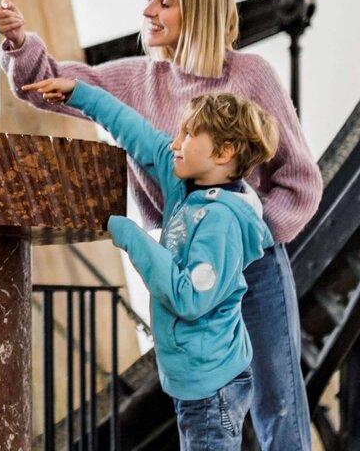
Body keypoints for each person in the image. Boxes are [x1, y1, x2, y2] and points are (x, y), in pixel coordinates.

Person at [0, 0, 322, 449]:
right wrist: (16, 40)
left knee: (277, 402)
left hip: (257, 266)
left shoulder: (253, 76)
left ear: (198, 10)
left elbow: (301, 182)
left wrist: (248, 232)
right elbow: (51, 82)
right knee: (205, 407)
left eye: (165, 1)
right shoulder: (138, 80)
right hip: (185, 260)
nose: (148, 10)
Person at [24, 80, 277, 449]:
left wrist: (129, 233)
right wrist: (80, 93)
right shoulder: (185, 187)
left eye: (189, 134)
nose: (176, 142)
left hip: (213, 388)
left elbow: (188, 298)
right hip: (194, 380)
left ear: (223, 152)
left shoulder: (221, 222)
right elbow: (136, 131)